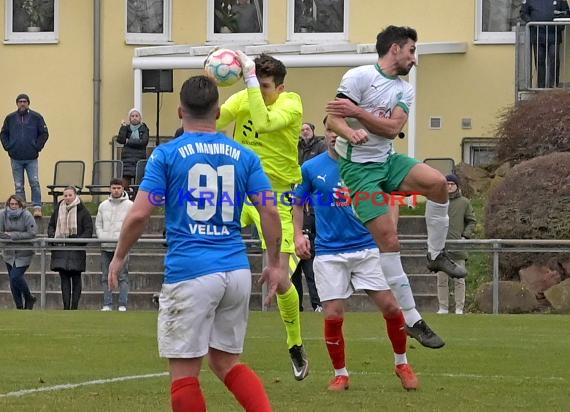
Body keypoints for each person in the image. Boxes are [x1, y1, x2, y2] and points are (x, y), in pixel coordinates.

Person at [108, 75, 281, 412]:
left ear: (179, 111)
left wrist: (118, 256)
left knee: (185, 372)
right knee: (225, 362)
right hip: (236, 270)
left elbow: (139, 214)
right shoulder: (244, 156)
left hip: (191, 270)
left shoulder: (167, 155)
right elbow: (269, 211)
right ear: (218, 112)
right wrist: (274, 263)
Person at [326, 27, 467, 312]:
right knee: (390, 240)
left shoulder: (405, 89)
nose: (414, 59)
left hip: (388, 160)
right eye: (411, 51)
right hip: (359, 169)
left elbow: (392, 129)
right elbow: (332, 119)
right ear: (395, 49)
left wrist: (359, 114)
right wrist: (350, 132)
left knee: (438, 183)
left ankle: (436, 253)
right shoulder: (359, 76)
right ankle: (413, 318)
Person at [293, 121, 420, 392]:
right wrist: (298, 235)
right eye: (330, 131)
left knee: (391, 306)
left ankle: (402, 364)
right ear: (325, 135)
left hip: (366, 248)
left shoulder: (369, 165)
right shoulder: (311, 168)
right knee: (333, 315)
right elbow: (297, 202)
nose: (333, 136)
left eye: (338, 132)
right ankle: (341, 374)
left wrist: (390, 229)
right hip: (329, 253)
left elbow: (390, 197)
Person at [216, 52, 309, 380]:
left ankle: (295, 343)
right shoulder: (244, 96)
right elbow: (212, 121)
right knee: (206, 243)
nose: (260, 90)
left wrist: (250, 83)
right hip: (240, 192)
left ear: (280, 87)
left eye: (266, 86)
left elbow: (266, 122)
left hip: (277, 197)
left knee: (281, 278)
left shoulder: (291, 104)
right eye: (257, 83)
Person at [292, 121, 326, 312]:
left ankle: (317, 302)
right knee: (294, 270)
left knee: (310, 267)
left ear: (313, 131)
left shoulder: (319, 147)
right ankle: (296, 305)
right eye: (302, 129)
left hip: (312, 210)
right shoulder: (296, 147)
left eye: (307, 129)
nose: (304, 131)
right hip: (298, 198)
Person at [0, 93, 49, 218]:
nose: (22, 103)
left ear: (28, 103)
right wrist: (8, 146)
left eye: (25, 101)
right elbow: (3, 134)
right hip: (15, 158)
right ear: (17, 103)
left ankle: (37, 207)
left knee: (34, 182)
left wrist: (37, 146)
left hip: (31, 158)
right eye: (20, 101)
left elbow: (44, 133)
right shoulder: (10, 118)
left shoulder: (36, 117)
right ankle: (21, 209)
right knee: (18, 186)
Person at [48, 186, 93, 310]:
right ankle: (66, 306)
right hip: (61, 249)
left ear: (75, 195)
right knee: (64, 279)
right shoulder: (58, 210)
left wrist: (77, 241)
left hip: (76, 250)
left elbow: (88, 230)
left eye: (70, 195)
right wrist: (53, 236)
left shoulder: (83, 211)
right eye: (65, 195)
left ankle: (74, 307)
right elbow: (51, 225)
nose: (67, 198)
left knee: (76, 278)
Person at [437, 174, 477, 315]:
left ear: (457, 186)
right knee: (442, 280)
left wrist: (465, 235)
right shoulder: (438, 202)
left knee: (459, 280)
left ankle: (459, 308)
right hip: (441, 248)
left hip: (458, 247)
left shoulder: (464, 202)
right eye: (446, 184)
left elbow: (472, 221)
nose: (449, 186)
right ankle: (443, 307)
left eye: (452, 184)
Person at [95, 178, 133, 312]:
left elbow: (133, 225)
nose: (116, 190)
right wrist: (102, 237)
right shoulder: (103, 205)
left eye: (118, 188)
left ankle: (123, 304)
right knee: (106, 276)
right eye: (113, 188)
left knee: (123, 276)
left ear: (123, 189)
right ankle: (107, 304)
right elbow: (98, 224)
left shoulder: (130, 205)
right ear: (110, 189)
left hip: (121, 246)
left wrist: (125, 240)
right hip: (106, 246)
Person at [520, 0, 570, 88]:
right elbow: (523, 13)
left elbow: (566, 13)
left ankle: (553, 85)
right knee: (539, 61)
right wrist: (533, 22)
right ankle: (541, 86)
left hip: (554, 34)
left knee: (554, 59)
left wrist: (560, 25)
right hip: (537, 35)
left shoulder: (560, 0)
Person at [0, 195, 37, 309]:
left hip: (24, 252)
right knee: (12, 281)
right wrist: (7, 236)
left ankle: (29, 297)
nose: (14, 206)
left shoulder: (26, 215)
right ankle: (19, 306)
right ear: (8, 204)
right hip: (9, 252)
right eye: (12, 204)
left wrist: (13, 235)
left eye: (16, 204)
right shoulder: (2, 214)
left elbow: (32, 232)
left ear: (20, 205)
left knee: (15, 276)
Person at [117, 108, 150, 190]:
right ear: (129, 118)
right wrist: (123, 128)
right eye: (132, 116)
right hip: (127, 160)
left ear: (140, 118)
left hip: (139, 159)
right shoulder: (126, 128)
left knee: (138, 184)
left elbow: (144, 142)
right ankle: (126, 199)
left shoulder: (144, 128)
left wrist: (128, 141)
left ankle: (135, 200)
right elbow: (121, 140)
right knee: (125, 184)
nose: (134, 118)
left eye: (136, 116)